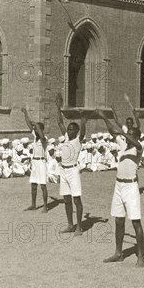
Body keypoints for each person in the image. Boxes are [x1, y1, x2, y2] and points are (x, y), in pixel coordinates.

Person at [98, 111, 144, 268]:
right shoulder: (124, 146)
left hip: (131, 187)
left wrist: (123, 133)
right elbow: (113, 131)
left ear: (136, 136)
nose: (127, 136)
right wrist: (104, 117)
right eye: (128, 134)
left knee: (135, 222)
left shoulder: (138, 149)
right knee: (118, 220)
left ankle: (141, 256)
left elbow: (136, 143)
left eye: (131, 134)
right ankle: (118, 253)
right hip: (118, 186)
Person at [55, 94, 88, 235]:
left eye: (71, 129)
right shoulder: (67, 138)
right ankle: (70, 225)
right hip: (63, 171)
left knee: (76, 199)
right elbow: (59, 122)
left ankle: (79, 226)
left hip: (73, 172)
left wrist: (82, 117)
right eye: (68, 129)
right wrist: (58, 107)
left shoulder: (78, 140)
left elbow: (83, 130)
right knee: (66, 199)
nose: (68, 131)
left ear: (77, 131)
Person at [22, 107, 49, 213]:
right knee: (33, 184)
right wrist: (25, 113)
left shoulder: (44, 139)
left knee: (43, 185)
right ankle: (33, 204)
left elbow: (41, 134)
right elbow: (29, 125)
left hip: (42, 162)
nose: (35, 131)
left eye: (37, 129)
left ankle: (45, 206)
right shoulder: (35, 137)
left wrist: (37, 125)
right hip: (35, 162)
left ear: (41, 130)